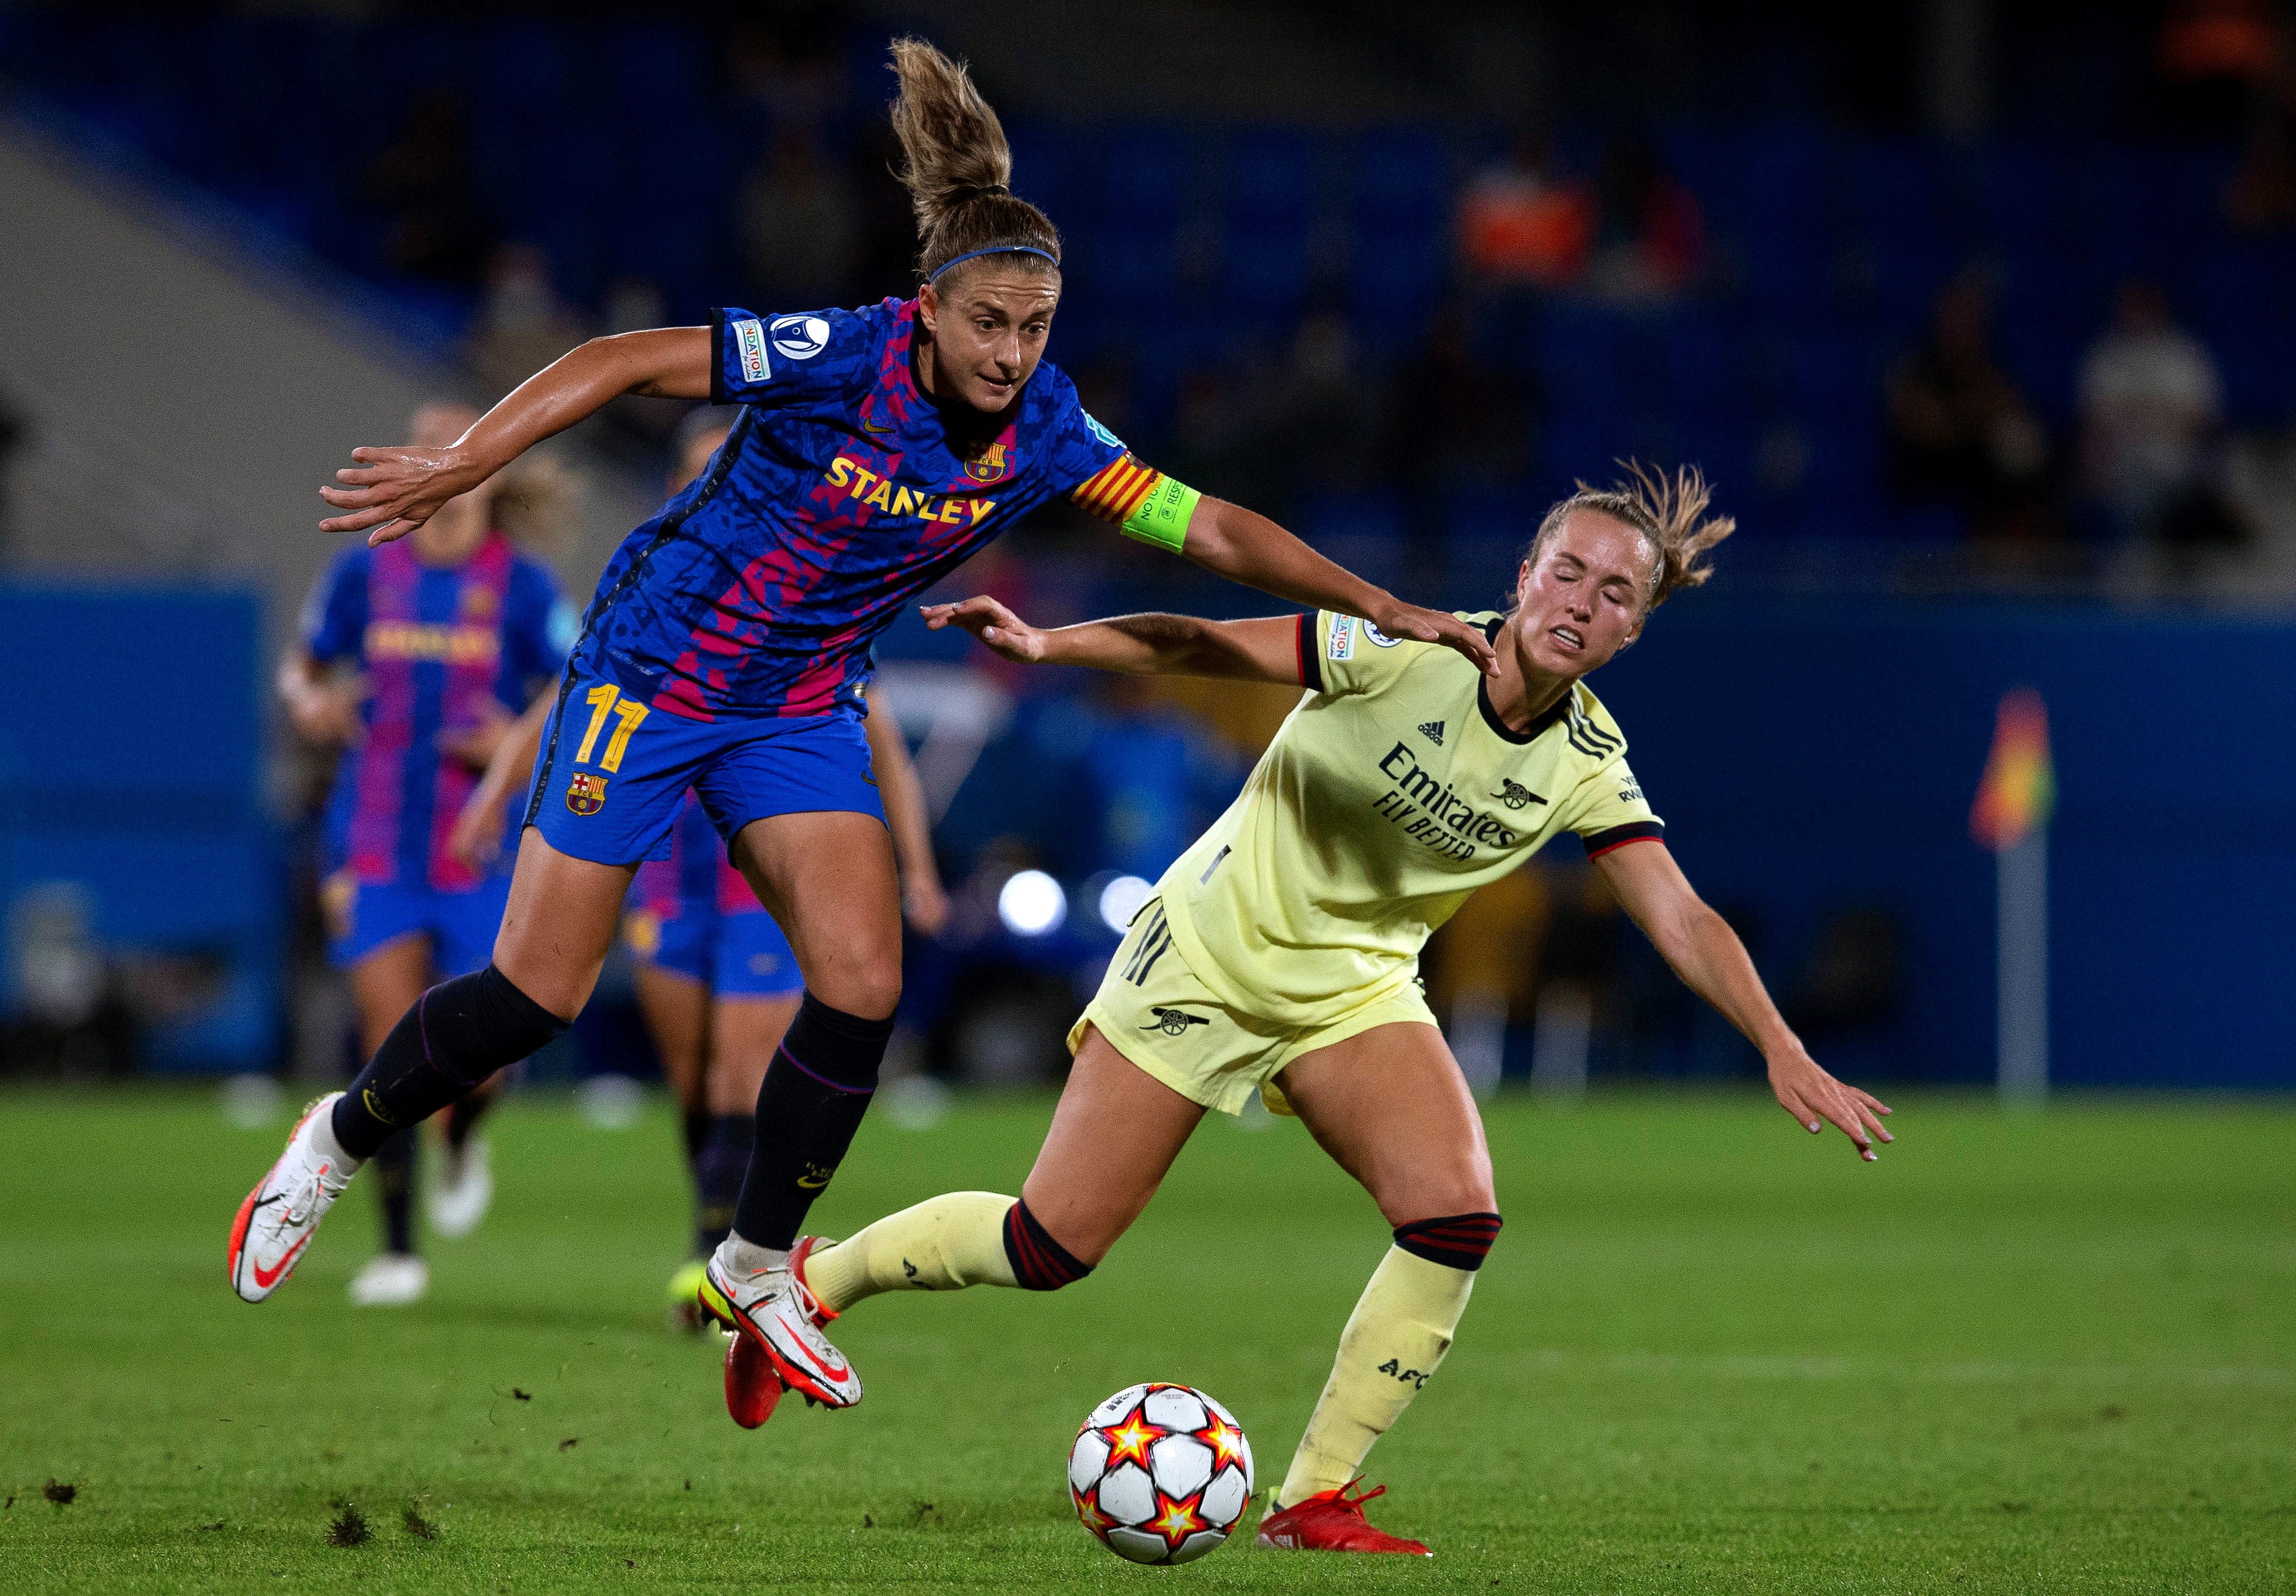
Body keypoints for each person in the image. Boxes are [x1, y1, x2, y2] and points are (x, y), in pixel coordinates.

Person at [229, 37, 1495, 1333]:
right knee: (537, 994)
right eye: (988, 322)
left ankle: (754, 1264)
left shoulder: (1049, 432)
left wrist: (1381, 606)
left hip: (797, 703)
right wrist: (464, 466)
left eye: (1035, 326)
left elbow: (1214, 530)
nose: (1010, 352)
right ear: (932, 308)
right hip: (651, 672)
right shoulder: (839, 352)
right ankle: (337, 1138)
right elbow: (621, 360)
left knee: (864, 982)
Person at [733, 466, 1894, 1555]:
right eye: (1568, 571)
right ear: (1526, 572)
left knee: (1453, 1214)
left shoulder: (1589, 761)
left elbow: (1681, 916)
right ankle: (816, 1285)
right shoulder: (1400, 650)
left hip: (1353, 991)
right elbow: (1196, 642)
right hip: (1205, 958)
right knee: (1050, 1246)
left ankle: (1314, 1496)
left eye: (1615, 593)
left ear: (1635, 629)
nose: (1582, 603)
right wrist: (1048, 644)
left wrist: (1781, 1049)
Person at [451, 409, 948, 1342]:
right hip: (667, 873)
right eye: (695, 468)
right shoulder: (653, 591)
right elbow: (567, 694)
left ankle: (729, 1265)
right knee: (692, 1076)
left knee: (742, 1066)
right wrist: (494, 792)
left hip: (755, 873)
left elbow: (883, 749)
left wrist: (913, 869)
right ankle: (709, 1235)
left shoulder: (811, 601)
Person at [277, 399, 572, 1306]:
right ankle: (400, 1250)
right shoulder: (365, 572)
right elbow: (304, 662)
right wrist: (306, 699)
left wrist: (514, 742)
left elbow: (578, 681)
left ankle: (464, 1131)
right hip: (372, 838)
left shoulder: (522, 586)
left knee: (489, 1052)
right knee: (386, 1037)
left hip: (476, 844)